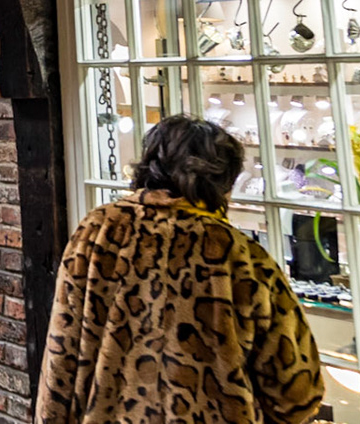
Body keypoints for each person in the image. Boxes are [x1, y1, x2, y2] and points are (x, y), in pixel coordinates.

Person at [36, 115, 323, 424]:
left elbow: (60, 362)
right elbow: (296, 395)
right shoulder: (240, 257)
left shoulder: (96, 233)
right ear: (222, 181)